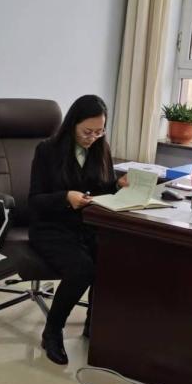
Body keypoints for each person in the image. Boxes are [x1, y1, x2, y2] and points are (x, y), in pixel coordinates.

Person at [28, 94, 127, 365]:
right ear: (73, 124)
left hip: (86, 226)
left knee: (112, 260)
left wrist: (118, 185)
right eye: (87, 131)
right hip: (51, 227)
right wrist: (65, 198)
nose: (93, 137)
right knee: (82, 269)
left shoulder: (100, 148)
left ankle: (94, 325)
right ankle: (52, 331)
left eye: (99, 131)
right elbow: (35, 201)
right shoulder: (47, 150)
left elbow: (103, 188)